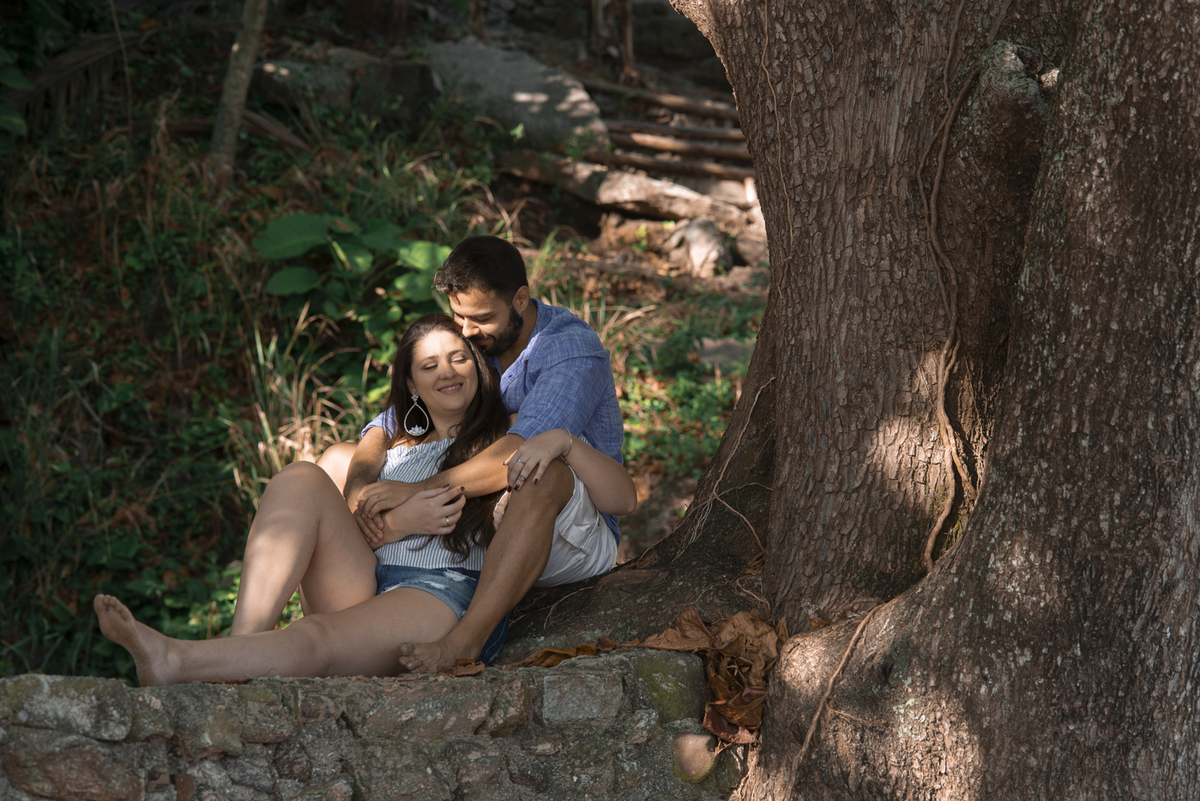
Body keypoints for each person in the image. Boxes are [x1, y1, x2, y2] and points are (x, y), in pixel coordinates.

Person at [93, 314, 635, 685]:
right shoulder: (387, 446)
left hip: (440, 593)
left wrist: (426, 496)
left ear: (479, 367)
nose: (448, 371)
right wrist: (397, 519)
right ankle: (241, 648)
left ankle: (175, 659)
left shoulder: (512, 432)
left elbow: (584, 485)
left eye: (459, 358)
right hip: (367, 576)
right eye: (430, 365)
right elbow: (351, 501)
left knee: (316, 637)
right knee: (302, 476)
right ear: (412, 385)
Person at [330, 236, 629, 673]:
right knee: (340, 458)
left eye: (481, 318)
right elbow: (391, 423)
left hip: (570, 531)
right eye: (459, 315)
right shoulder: (480, 341)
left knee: (537, 473)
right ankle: (350, 616)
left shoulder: (567, 351)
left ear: (521, 299)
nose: (467, 331)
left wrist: (411, 491)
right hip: (489, 519)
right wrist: (360, 485)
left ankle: (467, 640)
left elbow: (516, 453)